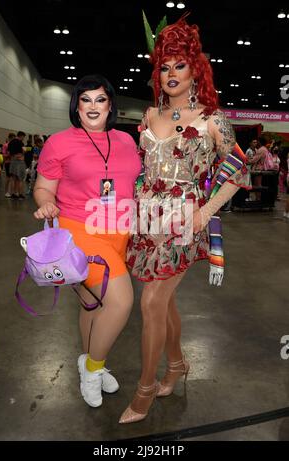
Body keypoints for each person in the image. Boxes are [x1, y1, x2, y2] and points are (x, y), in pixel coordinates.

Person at [119, 15, 249, 424]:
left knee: (152, 301)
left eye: (180, 65)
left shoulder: (214, 119)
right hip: (146, 219)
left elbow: (239, 170)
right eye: (164, 66)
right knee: (164, 302)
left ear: (196, 70)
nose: (171, 73)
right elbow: (142, 168)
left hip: (183, 222)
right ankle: (176, 364)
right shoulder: (149, 114)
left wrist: (204, 213)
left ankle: (144, 392)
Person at [34, 75, 141, 408]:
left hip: (119, 231)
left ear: (110, 106)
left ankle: (91, 361)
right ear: (76, 106)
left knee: (92, 304)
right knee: (121, 301)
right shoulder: (59, 142)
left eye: (100, 99)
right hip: (79, 229)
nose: (93, 106)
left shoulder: (126, 140)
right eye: (86, 99)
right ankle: (93, 369)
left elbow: (132, 183)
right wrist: (45, 203)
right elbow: (43, 187)